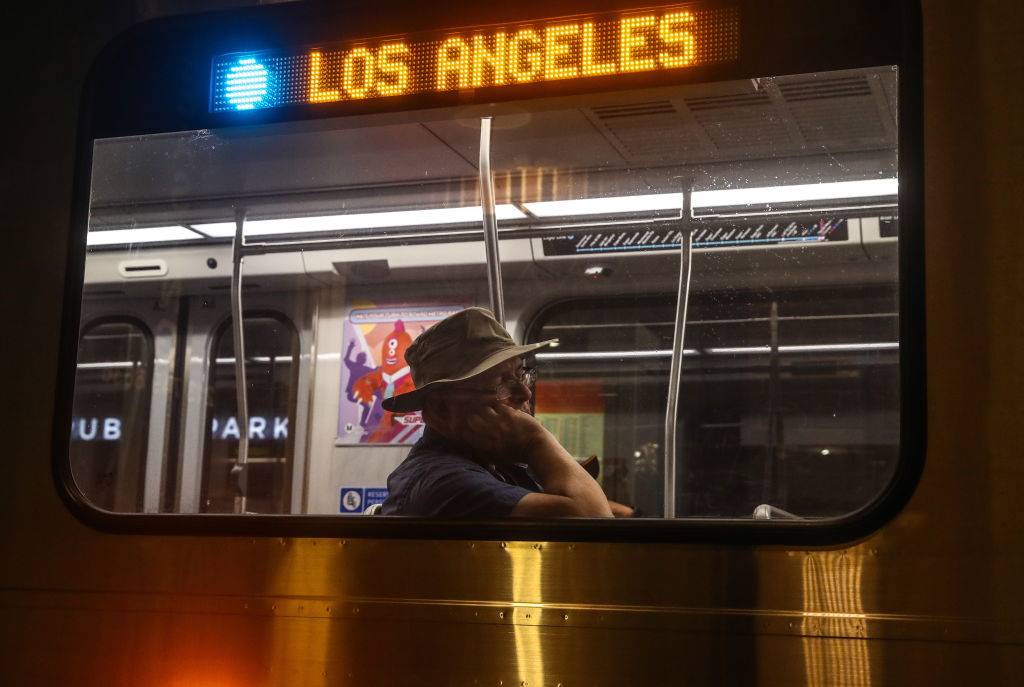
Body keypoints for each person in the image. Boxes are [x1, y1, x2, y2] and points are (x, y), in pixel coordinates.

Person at [380, 307, 626, 518]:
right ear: (441, 408)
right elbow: (595, 526)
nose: (525, 393)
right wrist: (535, 441)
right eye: (501, 383)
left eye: (520, 375)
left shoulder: (495, 463)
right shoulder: (444, 482)